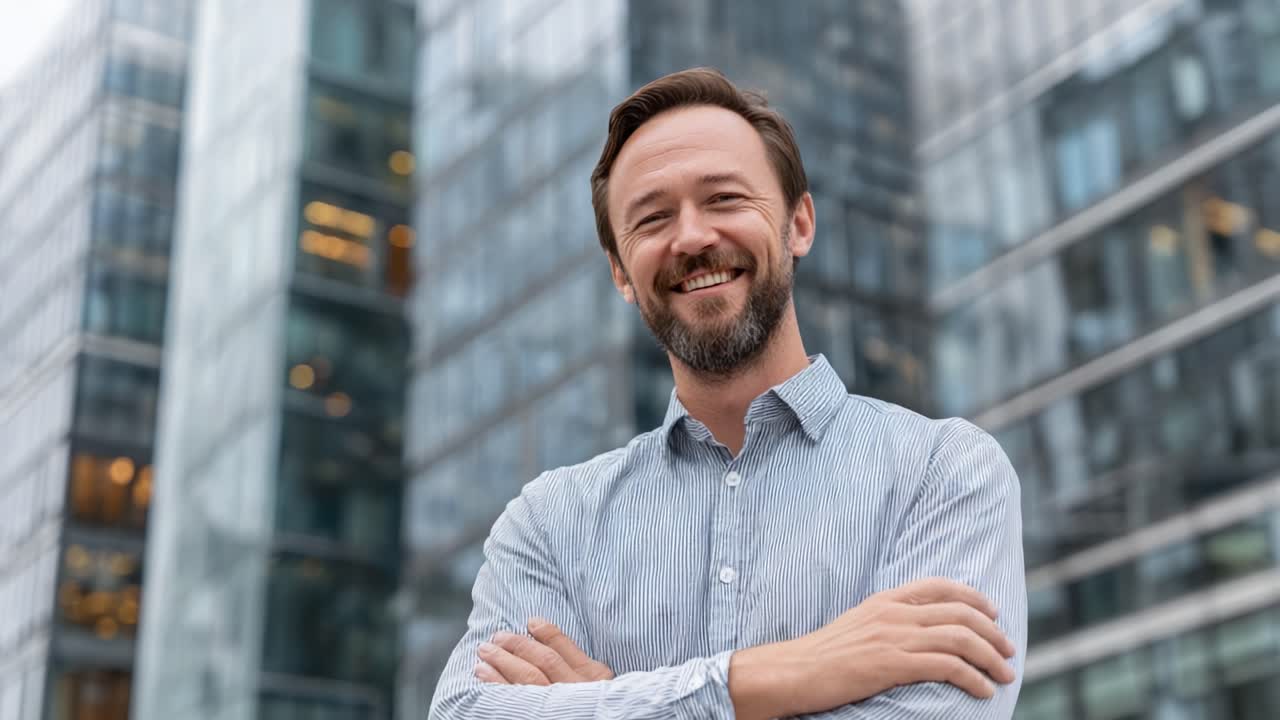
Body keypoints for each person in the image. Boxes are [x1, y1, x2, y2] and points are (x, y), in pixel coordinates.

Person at [429, 67, 1026, 719]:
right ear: (621, 272)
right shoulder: (551, 525)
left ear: (799, 224)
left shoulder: (943, 473)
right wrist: (785, 673)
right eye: (653, 218)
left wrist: (601, 700)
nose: (691, 238)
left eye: (724, 200)